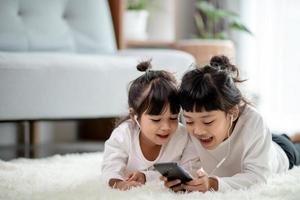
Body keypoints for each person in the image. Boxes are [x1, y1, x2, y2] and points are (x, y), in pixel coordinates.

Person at [162, 55, 300, 192]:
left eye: (208, 121)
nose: (197, 130)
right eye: (189, 121)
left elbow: (258, 177)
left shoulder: (253, 121)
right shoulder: (188, 121)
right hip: (260, 139)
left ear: (232, 113)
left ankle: (293, 138)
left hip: (281, 151)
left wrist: (213, 183)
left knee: (292, 146)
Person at [101, 60, 198, 190]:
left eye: (173, 118)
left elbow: (190, 171)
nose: (166, 127)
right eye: (156, 120)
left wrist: (146, 177)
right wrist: (119, 183)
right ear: (134, 116)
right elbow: (110, 169)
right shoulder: (124, 135)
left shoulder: (184, 136)